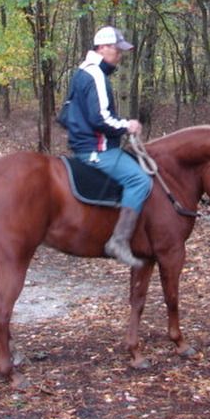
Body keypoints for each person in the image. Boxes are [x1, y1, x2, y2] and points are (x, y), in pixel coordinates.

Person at [63, 26, 152, 268]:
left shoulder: (83, 72)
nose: (119, 56)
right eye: (117, 50)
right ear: (102, 48)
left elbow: (66, 113)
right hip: (96, 148)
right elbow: (100, 118)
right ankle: (119, 241)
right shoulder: (95, 75)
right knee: (140, 181)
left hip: (86, 144)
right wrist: (127, 125)